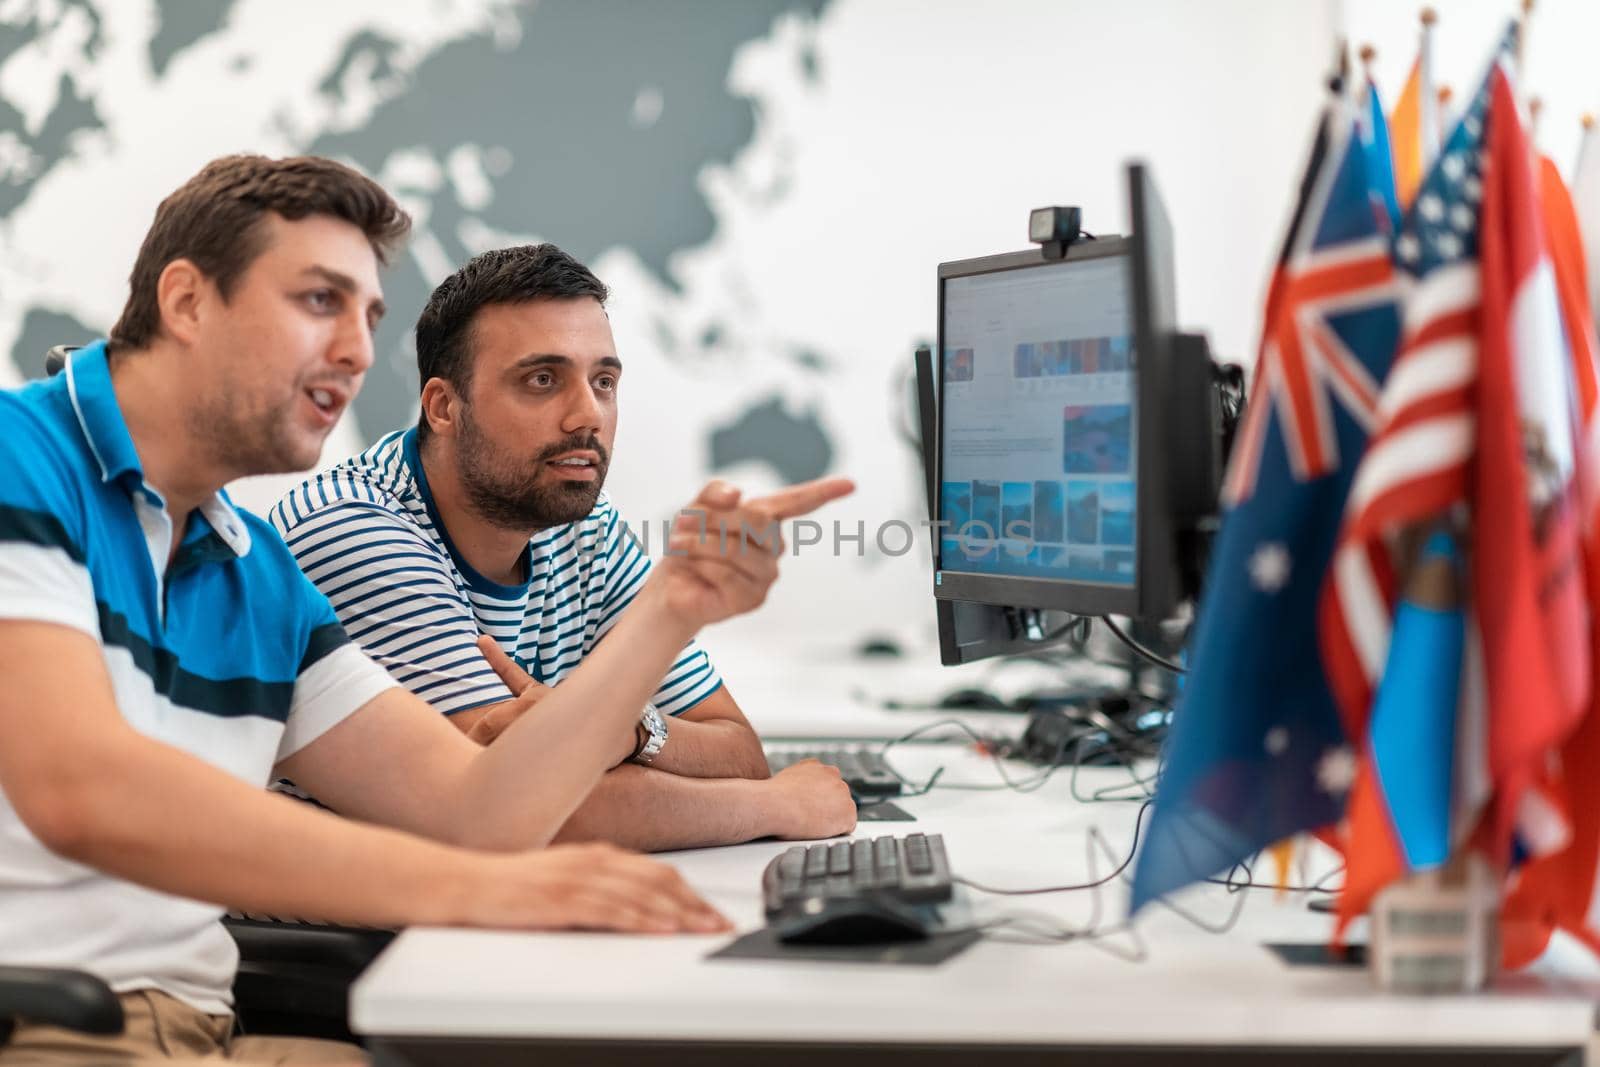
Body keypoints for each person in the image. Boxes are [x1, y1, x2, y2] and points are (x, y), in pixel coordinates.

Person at [0, 155, 852, 1066]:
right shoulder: (21, 458)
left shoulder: (253, 567)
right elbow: (81, 790)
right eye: (320, 301)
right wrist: (482, 886)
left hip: (205, 1029)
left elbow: (474, 810)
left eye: (368, 317)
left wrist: (674, 608)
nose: (360, 351)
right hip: (56, 1027)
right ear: (187, 302)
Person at [269, 243, 858, 851]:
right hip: (361, 930)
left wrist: (628, 730)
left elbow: (735, 745)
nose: (587, 415)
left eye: (603, 381)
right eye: (543, 380)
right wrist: (774, 805)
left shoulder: (583, 524)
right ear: (444, 407)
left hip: (492, 914)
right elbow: (515, 811)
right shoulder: (355, 530)